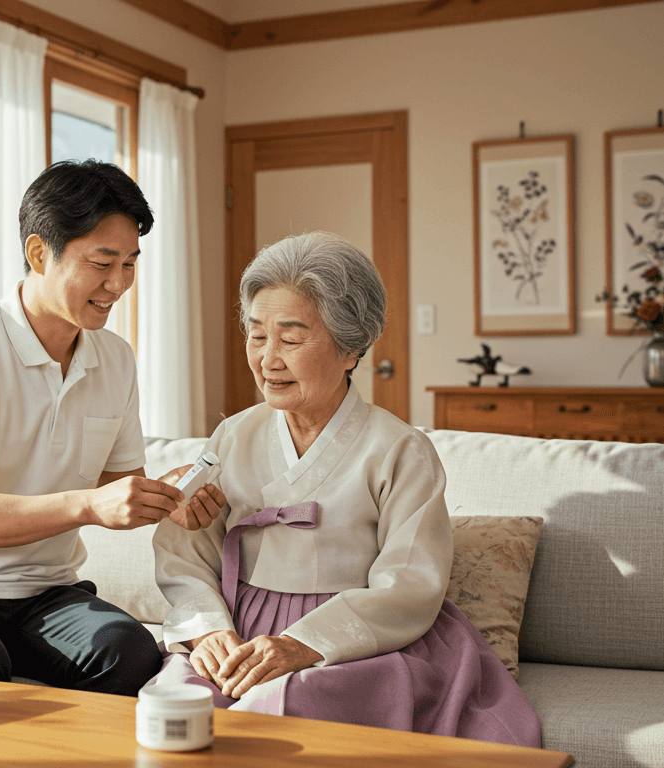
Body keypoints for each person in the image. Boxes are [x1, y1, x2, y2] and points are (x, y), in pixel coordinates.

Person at [148, 232, 541, 746]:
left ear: (351, 347)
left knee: (278, 708)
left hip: (358, 639)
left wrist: (302, 644)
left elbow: (409, 583)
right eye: (257, 334)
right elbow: (184, 553)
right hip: (238, 629)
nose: (267, 359)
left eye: (290, 339)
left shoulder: (401, 449)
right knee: (177, 705)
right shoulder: (232, 436)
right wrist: (207, 631)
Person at [0, 160, 225, 696]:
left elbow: (120, 486)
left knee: (129, 654)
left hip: (48, 592)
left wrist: (168, 498)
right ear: (40, 253)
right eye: (102, 262)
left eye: (130, 264)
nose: (118, 284)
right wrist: (87, 505)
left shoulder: (116, 359)